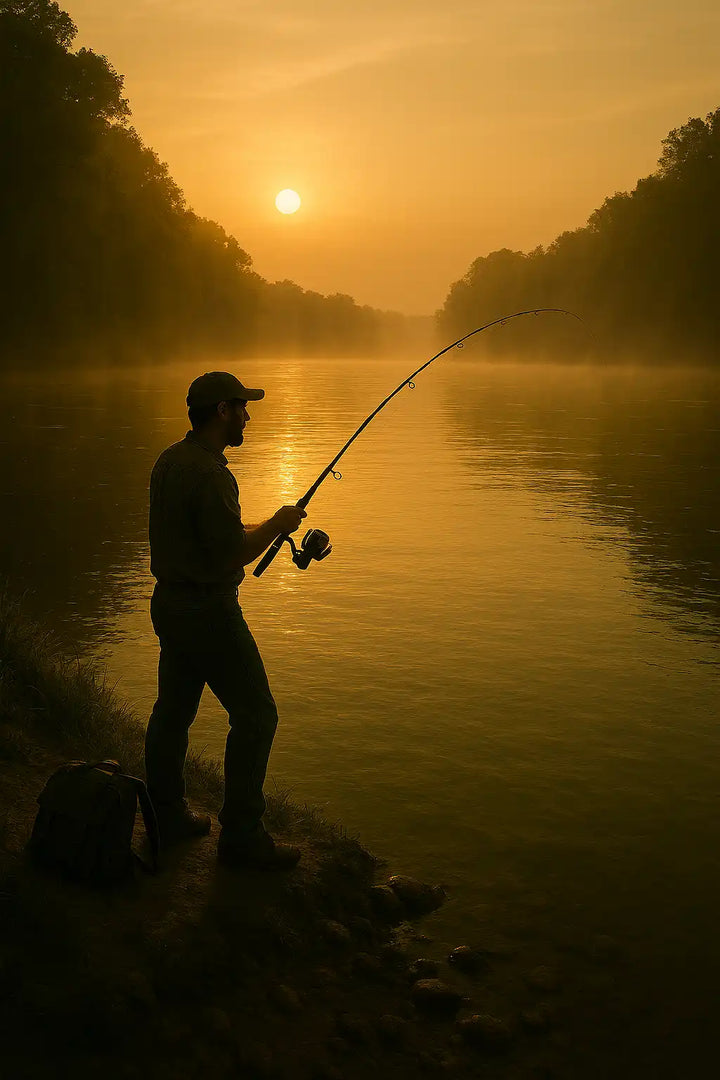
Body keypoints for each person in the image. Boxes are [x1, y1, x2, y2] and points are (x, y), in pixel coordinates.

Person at [145, 371, 306, 870]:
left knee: (172, 712)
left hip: (168, 603)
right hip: (208, 611)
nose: (248, 416)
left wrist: (266, 526)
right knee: (257, 716)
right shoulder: (213, 475)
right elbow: (226, 555)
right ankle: (241, 837)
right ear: (221, 412)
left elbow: (212, 537)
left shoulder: (170, 460)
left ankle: (166, 815)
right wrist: (278, 524)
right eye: (242, 407)